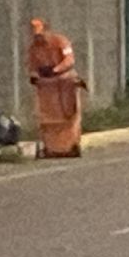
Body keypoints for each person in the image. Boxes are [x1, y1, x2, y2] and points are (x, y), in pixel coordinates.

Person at [27, 18, 85, 158]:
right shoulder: (34, 48)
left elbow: (69, 60)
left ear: (47, 31)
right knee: (47, 116)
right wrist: (36, 74)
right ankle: (51, 147)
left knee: (69, 114)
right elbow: (32, 65)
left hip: (65, 82)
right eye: (36, 36)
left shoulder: (61, 41)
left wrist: (56, 70)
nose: (39, 38)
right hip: (47, 86)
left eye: (41, 35)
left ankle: (71, 145)